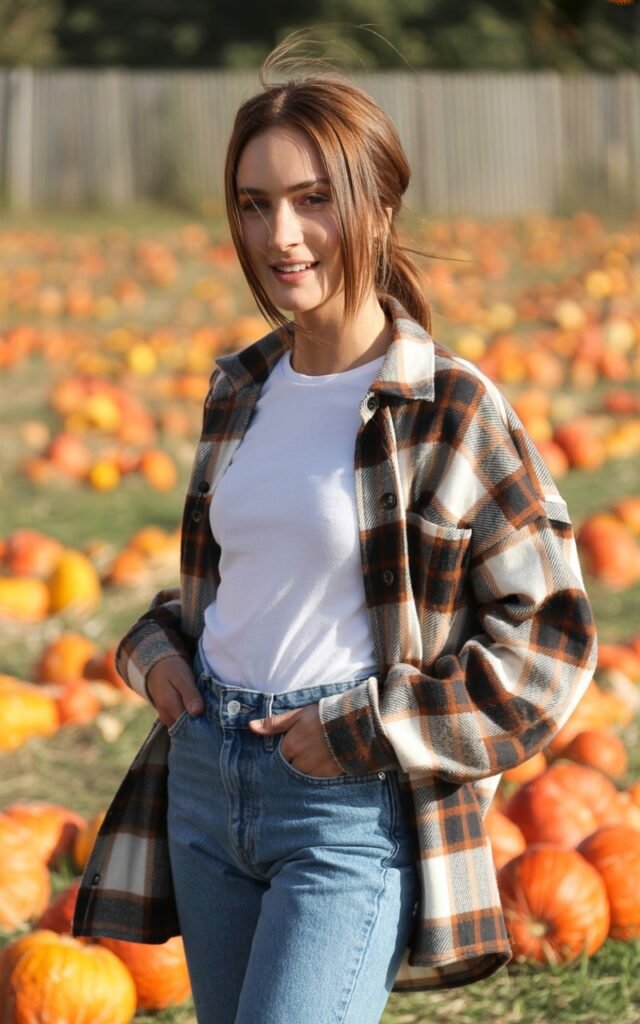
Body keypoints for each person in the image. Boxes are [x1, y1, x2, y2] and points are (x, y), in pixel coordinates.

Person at [72, 48, 598, 1024]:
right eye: (253, 202)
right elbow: (236, 591)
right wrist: (152, 652)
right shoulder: (241, 389)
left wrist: (367, 728)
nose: (281, 234)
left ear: (378, 208)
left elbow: (551, 649)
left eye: (313, 199)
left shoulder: (448, 405)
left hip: (346, 804)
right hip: (203, 773)